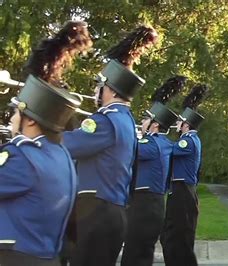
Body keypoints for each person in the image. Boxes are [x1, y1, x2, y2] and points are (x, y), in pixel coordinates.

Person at [63, 26, 157, 266]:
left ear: (111, 89)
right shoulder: (125, 120)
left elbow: (67, 145)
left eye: (100, 85)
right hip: (111, 212)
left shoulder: (104, 121)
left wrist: (47, 118)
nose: (96, 90)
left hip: (95, 213)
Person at [0, 74, 81, 266]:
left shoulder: (21, 157)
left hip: (14, 257)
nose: (12, 119)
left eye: (16, 112)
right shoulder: (62, 155)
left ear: (30, 121)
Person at [121, 76, 186, 266]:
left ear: (155, 125)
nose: (142, 121)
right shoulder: (164, 143)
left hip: (144, 204)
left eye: (146, 119)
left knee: (134, 254)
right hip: (152, 204)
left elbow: (127, 150)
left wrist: (128, 132)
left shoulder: (152, 143)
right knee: (141, 253)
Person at [160, 84, 208, 266]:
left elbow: (170, 150)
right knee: (170, 236)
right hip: (178, 190)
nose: (177, 124)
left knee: (180, 238)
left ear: (186, 124)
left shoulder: (189, 141)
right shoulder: (186, 139)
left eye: (179, 121)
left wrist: (156, 138)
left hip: (183, 192)